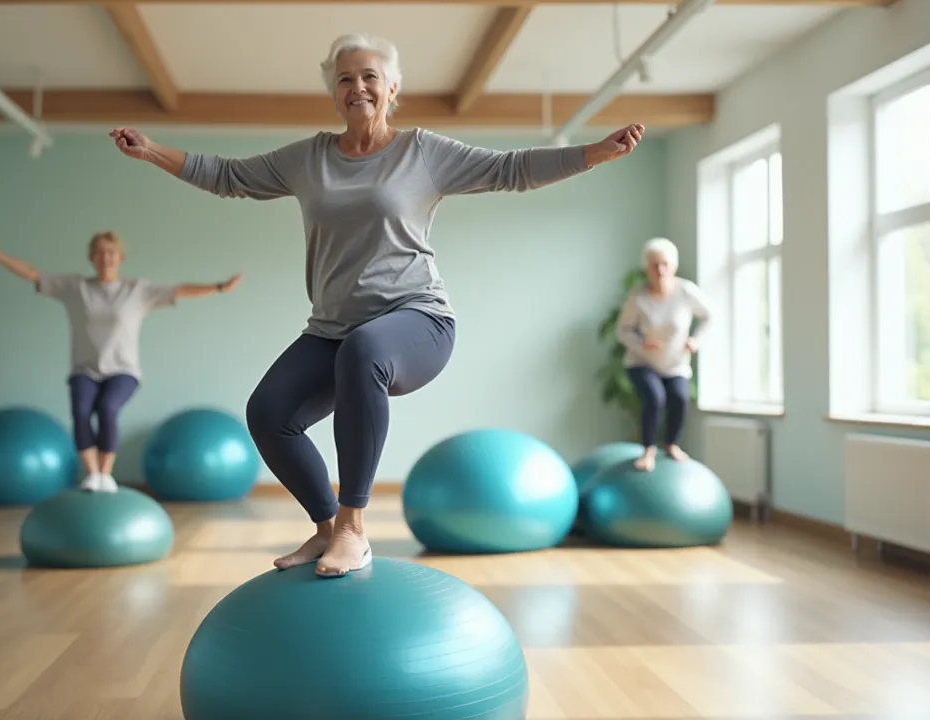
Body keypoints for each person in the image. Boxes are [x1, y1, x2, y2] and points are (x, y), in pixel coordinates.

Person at [108, 32, 645, 577]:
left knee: (365, 350)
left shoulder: (422, 152)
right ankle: (325, 529)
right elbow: (229, 177)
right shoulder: (308, 159)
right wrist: (150, 150)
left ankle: (353, 527)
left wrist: (595, 153)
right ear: (334, 94)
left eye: (369, 77)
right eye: (345, 78)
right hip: (332, 330)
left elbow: (510, 169)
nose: (357, 86)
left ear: (392, 89)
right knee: (269, 413)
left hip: (419, 322)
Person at [0, 229, 242, 492]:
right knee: (80, 410)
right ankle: (92, 476)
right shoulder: (76, 288)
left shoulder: (137, 290)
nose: (106, 257)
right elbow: (31, 274)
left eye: (111, 252)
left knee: (107, 408)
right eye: (100, 252)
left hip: (123, 371)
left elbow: (179, 291)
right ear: (92, 257)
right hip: (85, 370)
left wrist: (219, 287)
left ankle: (105, 473)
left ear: (120, 257)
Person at [615, 237, 712, 472]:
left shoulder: (686, 292)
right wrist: (642, 343)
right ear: (646, 268)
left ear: (673, 266)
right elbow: (622, 331)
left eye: (664, 264)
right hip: (641, 362)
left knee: (679, 398)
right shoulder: (637, 298)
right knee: (655, 397)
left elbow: (709, 316)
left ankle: (671, 445)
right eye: (654, 265)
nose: (660, 270)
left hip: (675, 364)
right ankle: (648, 449)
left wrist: (695, 339)